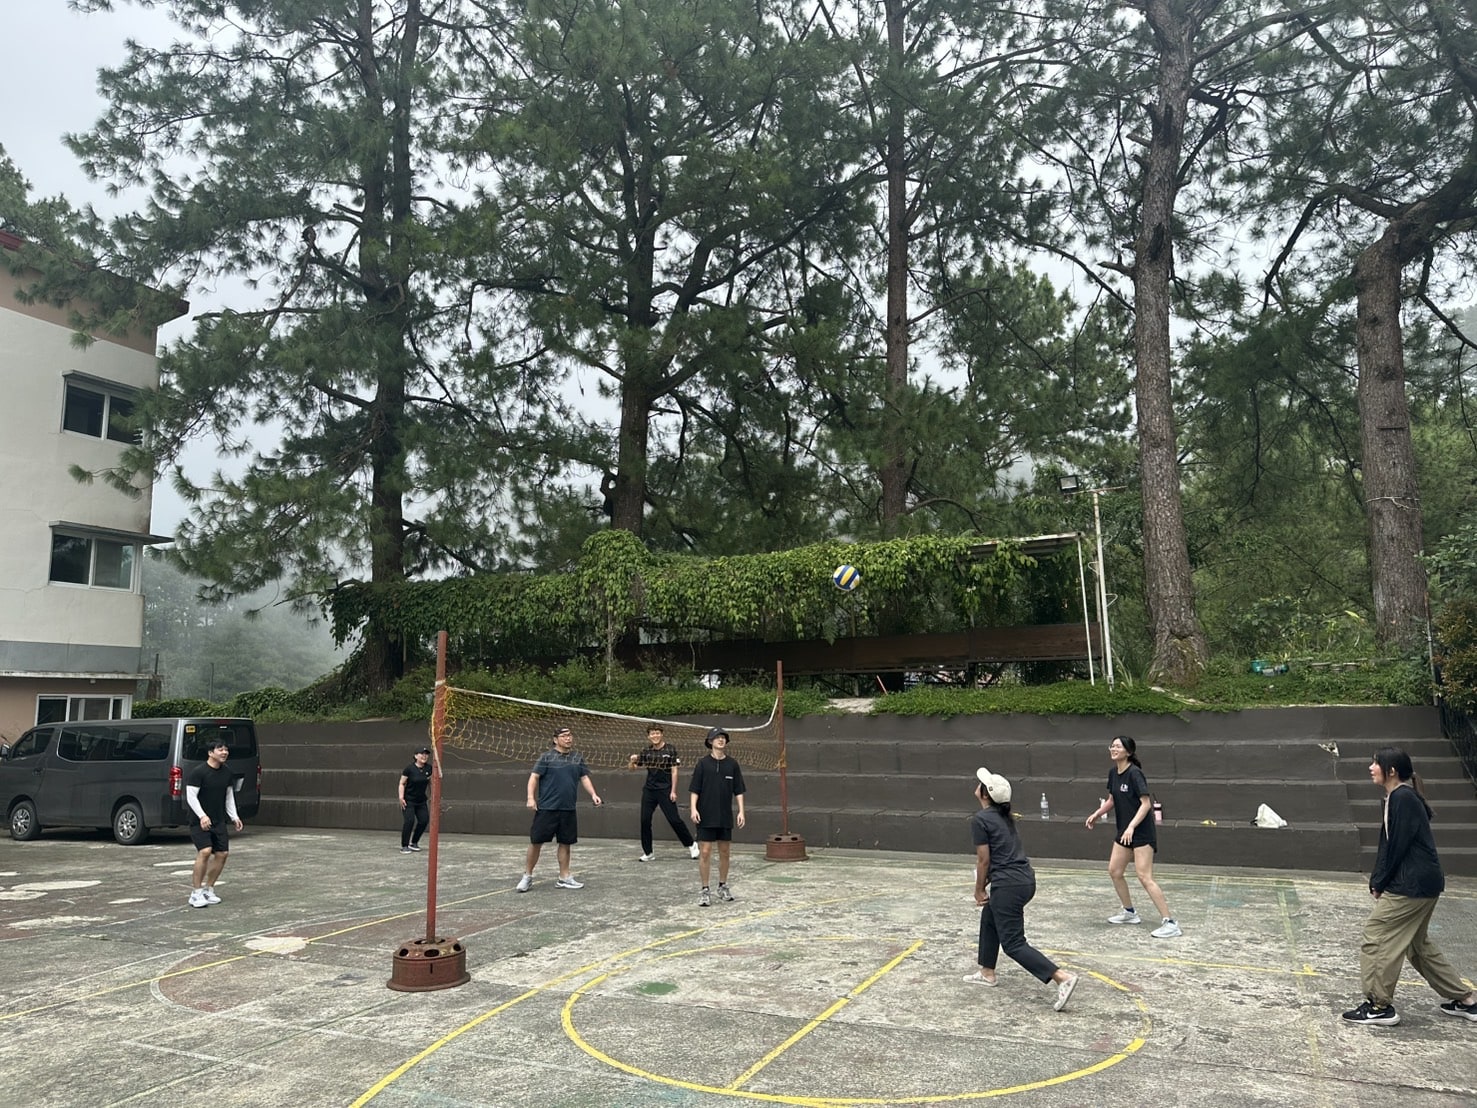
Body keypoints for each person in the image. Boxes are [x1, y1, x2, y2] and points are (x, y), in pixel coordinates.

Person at [1341, 746, 1477, 1026]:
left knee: (1377, 935)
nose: (1370, 768)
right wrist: (1378, 878)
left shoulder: (1403, 797)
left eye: (1375, 763)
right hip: (1422, 882)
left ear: (1391, 771)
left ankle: (1379, 1006)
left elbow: (1397, 847)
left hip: (1411, 885)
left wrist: (1381, 881)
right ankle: (1467, 1000)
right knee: (1417, 945)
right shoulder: (1398, 796)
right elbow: (1391, 844)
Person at [962, 768, 1078, 1011]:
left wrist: (979, 889)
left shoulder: (981, 819)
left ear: (985, 794)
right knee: (990, 917)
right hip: (1024, 880)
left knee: (1013, 943)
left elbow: (983, 860)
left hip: (1009, 885)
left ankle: (1061, 977)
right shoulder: (1004, 816)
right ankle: (987, 972)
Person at [1084, 734, 1181, 938]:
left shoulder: (1135, 774)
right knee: (1115, 871)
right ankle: (1129, 912)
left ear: (1128, 752)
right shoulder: (1113, 773)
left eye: (1118, 746)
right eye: (1112, 746)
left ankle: (1170, 923)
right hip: (1124, 832)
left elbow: (1146, 804)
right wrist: (1097, 814)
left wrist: (1131, 827)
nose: (1113, 749)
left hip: (1141, 832)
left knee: (1144, 876)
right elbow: (1112, 800)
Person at [516, 726, 602, 892]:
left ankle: (564, 877)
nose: (568, 738)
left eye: (570, 735)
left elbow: (584, 777)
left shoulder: (577, 757)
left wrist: (593, 794)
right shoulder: (546, 757)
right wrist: (530, 798)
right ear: (555, 739)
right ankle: (527, 876)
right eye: (564, 736)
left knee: (565, 843)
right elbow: (534, 777)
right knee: (536, 842)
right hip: (547, 808)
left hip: (568, 808)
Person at [688, 726, 746, 907]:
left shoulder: (732, 764)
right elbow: (694, 790)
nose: (721, 740)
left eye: (723, 737)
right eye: (717, 737)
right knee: (705, 852)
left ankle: (722, 886)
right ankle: (705, 889)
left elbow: (739, 790)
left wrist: (741, 811)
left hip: (724, 816)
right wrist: (693, 809)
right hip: (705, 815)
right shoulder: (702, 764)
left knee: (725, 852)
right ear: (710, 742)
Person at [627, 723, 698, 861]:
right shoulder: (646, 751)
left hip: (665, 790)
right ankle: (648, 853)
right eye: (652, 733)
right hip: (649, 790)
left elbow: (674, 771)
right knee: (645, 820)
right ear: (648, 736)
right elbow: (632, 768)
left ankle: (691, 844)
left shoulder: (670, 749)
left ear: (662, 734)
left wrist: (673, 791)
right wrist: (632, 760)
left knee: (674, 819)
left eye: (657, 733)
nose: (655, 735)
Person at [186, 738, 243, 908]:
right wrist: (202, 816)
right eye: (220, 749)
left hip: (218, 820)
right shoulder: (198, 772)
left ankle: (208, 889)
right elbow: (191, 796)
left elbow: (228, 796)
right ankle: (196, 893)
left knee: (222, 853)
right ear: (210, 753)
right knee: (205, 851)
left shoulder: (227, 773)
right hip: (199, 820)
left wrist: (234, 817)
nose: (224, 752)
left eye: (226, 749)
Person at [398, 745, 432, 853]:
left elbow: (431, 783)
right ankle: (404, 845)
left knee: (424, 821)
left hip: (421, 801)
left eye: (426, 754)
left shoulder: (429, 768)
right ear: (416, 756)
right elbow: (402, 783)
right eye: (422, 754)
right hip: (409, 800)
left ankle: (414, 842)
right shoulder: (409, 769)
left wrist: (432, 796)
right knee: (409, 821)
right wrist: (401, 797)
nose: (424, 756)